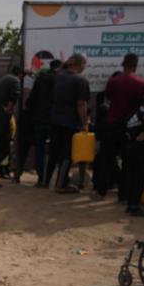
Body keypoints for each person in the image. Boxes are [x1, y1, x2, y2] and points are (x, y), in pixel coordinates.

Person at [94, 54, 144, 201]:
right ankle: (123, 194)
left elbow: (110, 98)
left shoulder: (113, 81)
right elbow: (141, 105)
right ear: (135, 65)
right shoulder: (140, 83)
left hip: (112, 124)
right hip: (130, 127)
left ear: (123, 64)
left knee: (107, 159)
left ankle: (101, 190)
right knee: (128, 161)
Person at [47, 53, 90, 193]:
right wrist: (84, 123)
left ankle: (46, 181)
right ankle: (61, 184)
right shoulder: (80, 80)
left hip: (55, 120)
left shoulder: (59, 76)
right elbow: (81, 104)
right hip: (70, 123)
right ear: (80, 64)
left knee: (55, 151)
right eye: (84, 64)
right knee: (66, 154)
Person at [20, 59, 59, 186]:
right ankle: (51, 180)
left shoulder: (40, 80)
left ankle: (40, 179)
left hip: (39, 121)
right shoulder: (60, 81)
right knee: (54, 151)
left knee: (39, 150)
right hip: (54, 122)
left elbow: (30, 101)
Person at [122, 95, 144, 216]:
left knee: (130, 176)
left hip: (130, 147)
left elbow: (125, 126)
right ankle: (135, 206)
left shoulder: (131, 114)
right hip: (140, 148)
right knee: (139, 178)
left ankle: (130, 204)